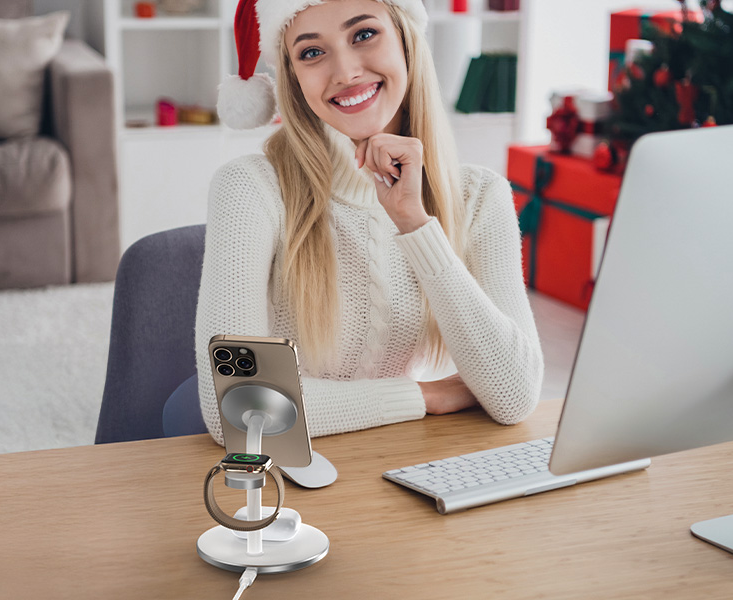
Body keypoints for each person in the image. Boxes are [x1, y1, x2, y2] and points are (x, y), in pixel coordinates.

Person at [194, 0, 542, 445]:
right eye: (312, 53)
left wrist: (415, 223)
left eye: (363, 35)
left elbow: (514, 395)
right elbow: (238, 408)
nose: (345, 72)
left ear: (406, 40)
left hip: (403, 461)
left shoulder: (480, 196)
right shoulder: (250, 188)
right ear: (293, 80)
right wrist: (424, 397)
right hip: (289, 474)